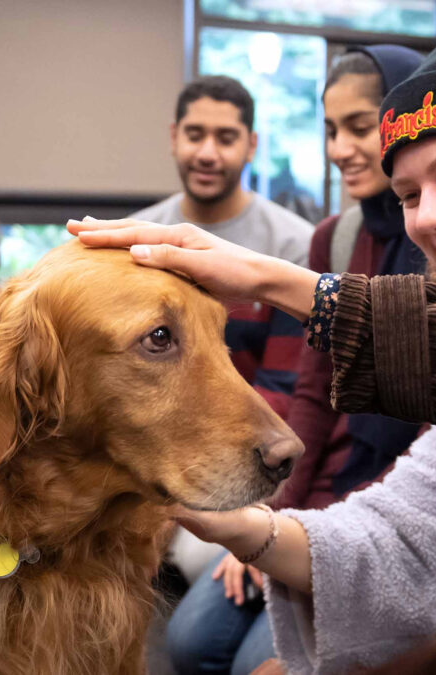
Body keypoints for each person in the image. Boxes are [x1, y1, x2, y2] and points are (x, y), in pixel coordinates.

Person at [77, 1, 436, 671]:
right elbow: (404, 533)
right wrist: (232, 521)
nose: (431, 216)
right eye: (408, 194)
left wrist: (286, 285)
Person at [165, 46, 426, 675]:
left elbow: (428, 448)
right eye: (331, 130)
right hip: (315, 491)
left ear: (407, 122)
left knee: (257, 661)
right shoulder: (333, 237)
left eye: (361, 127)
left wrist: (310, 536)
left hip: (388, 503)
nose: (340, 148)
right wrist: (273, 519)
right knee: (190, 644)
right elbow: (311, 394)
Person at [131, 74, 314, 595]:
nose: (207, 152)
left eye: (226, 138)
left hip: (241, 457)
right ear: (173, 137)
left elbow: (287, 389)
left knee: (195, 565)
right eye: (194, 135)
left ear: (251, 145)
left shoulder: (292, 248)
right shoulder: (139, 239)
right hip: (152, 456)